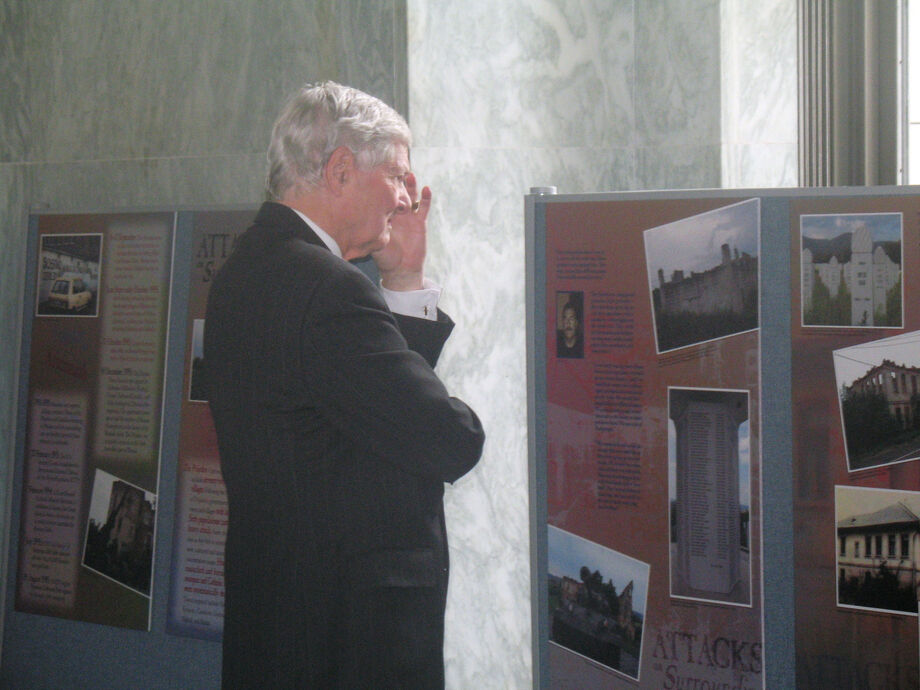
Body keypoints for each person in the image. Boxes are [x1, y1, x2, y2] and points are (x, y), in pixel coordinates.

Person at [204, 81, 485, 689]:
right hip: (347, 642)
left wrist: (404, 276)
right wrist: (466, 417)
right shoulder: (326, 287)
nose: (408, 197)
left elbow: (362, 416)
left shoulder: (246, 271)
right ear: (339, 170)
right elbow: (446, 438)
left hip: (282, 626)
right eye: (397, 176)